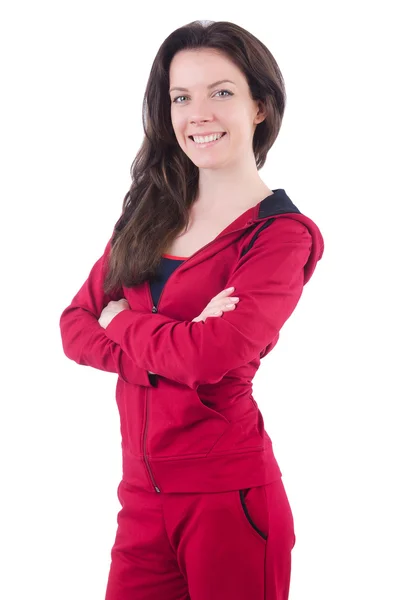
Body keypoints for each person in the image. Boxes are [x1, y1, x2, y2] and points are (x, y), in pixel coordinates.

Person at [59, 19, 324, 600]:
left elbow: (214, 356)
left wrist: (124, 323)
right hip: (140, 499)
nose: (197, 113)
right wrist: (173, 343)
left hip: (227, 500)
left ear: (260, 106)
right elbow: (74, 327)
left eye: (221, 92)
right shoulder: (147, 220)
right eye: (182, 97)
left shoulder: (281, 237)